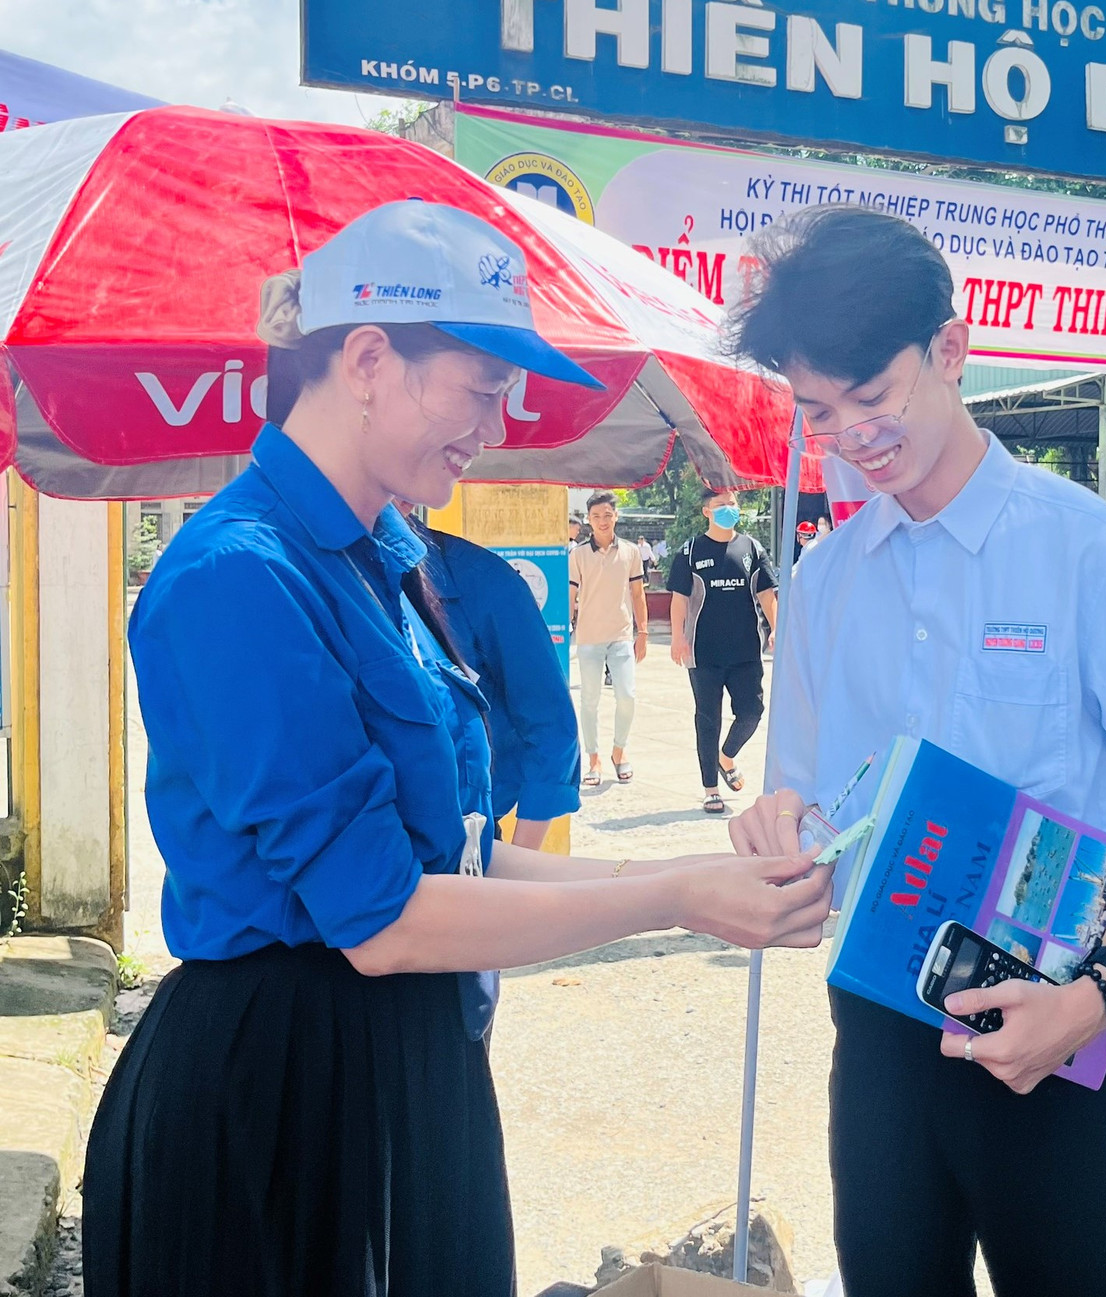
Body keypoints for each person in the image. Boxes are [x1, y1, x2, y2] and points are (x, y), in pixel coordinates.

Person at [82, 201, 834, 1297]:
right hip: (279, 1091)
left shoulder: (390, 561)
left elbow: (456, 852)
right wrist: (673, 898)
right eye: (480, 387)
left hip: (410, 1056)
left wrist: (689, 874)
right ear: (371, 358)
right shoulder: (239, 576)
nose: (494, 424)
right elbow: (382, 916)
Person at [726, 206, 1106, 1297]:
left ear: (950, 349)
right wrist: (773, 830)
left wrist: (1100, 993)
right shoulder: (827, 579)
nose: (851, 435)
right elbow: (803, 801)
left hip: (1059, 1028)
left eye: (871, 398)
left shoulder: (1093, 558)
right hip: (881, 1040)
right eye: (817, 411)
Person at [405, 506, 580, 851]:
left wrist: (516, 862)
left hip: (466, 842)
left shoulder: (482, 581)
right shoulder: (309, 575)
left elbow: (551, 726)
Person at [667, 487, 779, 814]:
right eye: (721, 505)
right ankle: (710, 788)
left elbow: (767, 594)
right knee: (707, 719)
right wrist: (677, 636)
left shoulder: (752, 548)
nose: (728, 508)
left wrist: (777, 629)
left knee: (752, 712)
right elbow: (680, 598)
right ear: (707, 511)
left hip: (746, 651)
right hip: (703, 653)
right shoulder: (690, 550)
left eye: (732, 504)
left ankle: (725, 755)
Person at [570, 490, 647, 786]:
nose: (602, 521)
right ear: (589, 520)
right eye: (595, 516)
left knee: (627, 696)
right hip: (589, 637)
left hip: (622, 635)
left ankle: (619, 751)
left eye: (607, 515)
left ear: (616, 516)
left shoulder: (630, 552)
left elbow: (638, 595)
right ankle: (594, 758)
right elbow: (571, 596)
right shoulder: (577, 555)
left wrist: (644, 632)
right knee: (589, 701)